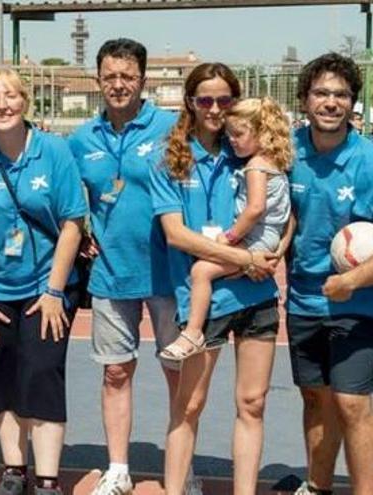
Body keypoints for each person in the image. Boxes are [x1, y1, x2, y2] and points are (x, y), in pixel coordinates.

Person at [65, 38, 192, 494]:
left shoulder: (173, 127)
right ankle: (117, 469)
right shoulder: (81, 140)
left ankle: (183, 467)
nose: (118, 85)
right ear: (98, 79)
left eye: (128, 76)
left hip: (169, 274)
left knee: (178, 373)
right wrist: (81, 232)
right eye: (110, 76)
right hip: (111, 275)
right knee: (116, 372)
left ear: (142, 79)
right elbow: (66, 200)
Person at [150, 62, 283, 495]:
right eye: (204, 99)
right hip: (204, 301)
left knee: (253, 403)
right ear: (190, 102)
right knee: (188, 407)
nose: (214, 109)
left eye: (224, 100)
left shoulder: (249, 151)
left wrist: (280, 247)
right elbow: (175, 234)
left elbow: (285, 209)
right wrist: (242, 257)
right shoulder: (170, 157)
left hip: (256, 296)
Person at [0, 68, 85, 495]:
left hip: (47, 287)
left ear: (25, 101)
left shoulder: (54, 151)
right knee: (3, 380)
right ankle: (14, 469)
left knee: (43, 375)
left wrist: (54, 292)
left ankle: (47, 479)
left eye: (9, 95)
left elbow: (71, 224)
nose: (2, 104)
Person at [285, 52, 373, 495]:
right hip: (302, 298)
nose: (331, 102)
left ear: (352, 104)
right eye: (322, 92)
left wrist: (352, 281)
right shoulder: (289, 152)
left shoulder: (368, 160)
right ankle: (317, 485)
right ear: (305, 99)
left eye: (341, 94)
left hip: (356, 302)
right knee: (315, 398)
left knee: (353, 403)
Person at [160, 97, 292, 361]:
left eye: (238, 134)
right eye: (229, 134)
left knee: (200, 270)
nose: (231, 140)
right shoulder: (276, 163)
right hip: (265, 240)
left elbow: (254, 209)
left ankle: (193, 332)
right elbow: (288, 216)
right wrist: (278, 246)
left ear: (261, 133)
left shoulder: (255, 166)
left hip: (254, 239)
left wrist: (229, 237)